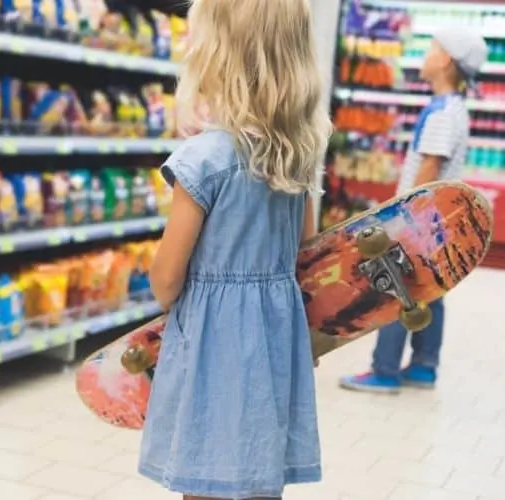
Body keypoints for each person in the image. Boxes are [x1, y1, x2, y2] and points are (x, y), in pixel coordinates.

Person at [137, 0, 332, 498]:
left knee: (203, 476)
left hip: (211, 349)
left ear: (216, 54)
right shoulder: (296, 156)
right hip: (273, 343)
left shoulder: (202, 158)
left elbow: (166, 279)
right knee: (258, 473)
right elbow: (306, 253)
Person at [339, 28, 488, 394]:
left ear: (446, 61)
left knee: (396, 290)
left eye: (432, 49)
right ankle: (424, 365)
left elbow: (428, 170)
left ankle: (384, 370)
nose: (426, 54)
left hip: (419, 221)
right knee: (430, 289)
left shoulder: (441, 114)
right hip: (437, 224)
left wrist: (400, 221)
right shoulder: (454, 109)